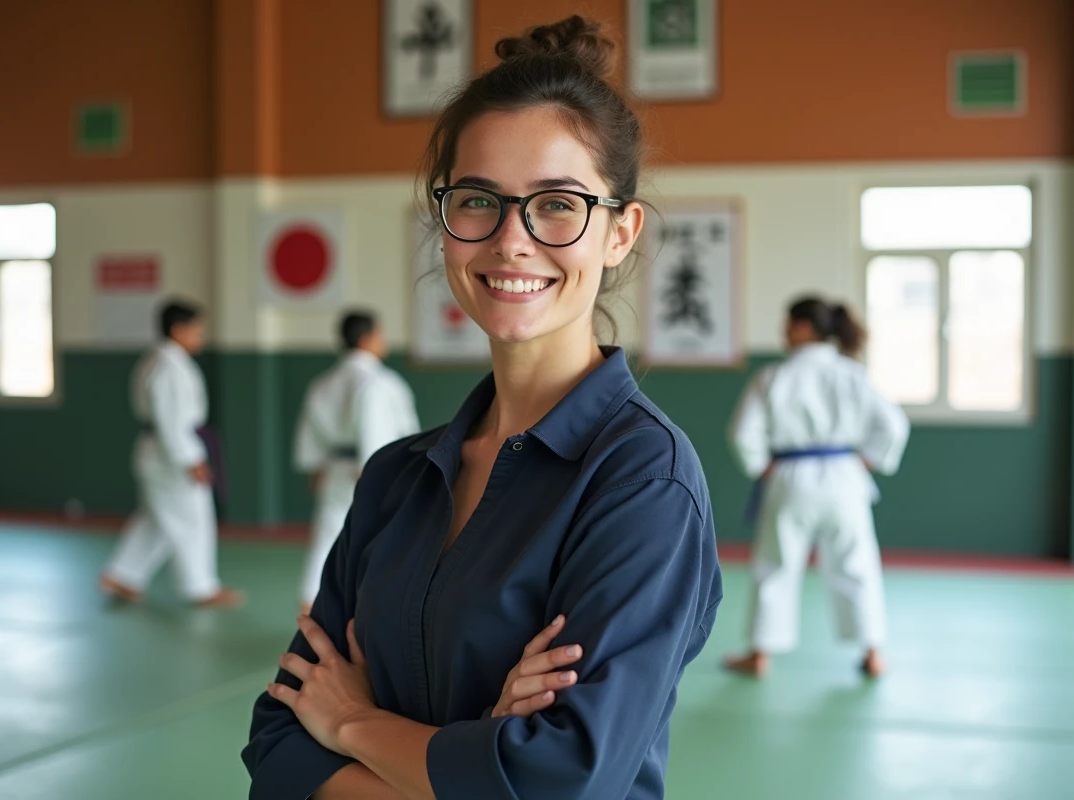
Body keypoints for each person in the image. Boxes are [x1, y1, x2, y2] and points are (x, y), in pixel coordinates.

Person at [243, 16, 722, 800]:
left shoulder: (642, 481)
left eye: (558, 204)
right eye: (477, 201)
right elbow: (276, 748)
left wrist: (354, 723)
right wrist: (474, 761)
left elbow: (558, 781)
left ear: (620, 232)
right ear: (444, 224)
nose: (511, 240)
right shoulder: (395, 477)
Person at [725, 296, 909, 678]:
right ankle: (873, 653)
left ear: (804, 328)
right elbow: (894, 425)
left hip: (790, 476)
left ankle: (760, 655)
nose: (783, 332)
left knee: (776, 564)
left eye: (788, 324)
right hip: (845, 475)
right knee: (856, 563)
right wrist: (867, 461)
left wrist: (761, 467)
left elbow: (743, 433)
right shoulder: (853, 374)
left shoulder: (773, 377)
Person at [99, 300, 243, 608]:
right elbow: (172, 420)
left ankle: (122, 575)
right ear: (178, 330)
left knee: (157, 520)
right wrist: (190, 460)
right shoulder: (169, 368)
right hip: (170, 456)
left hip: (160, 452)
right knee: (193, 519)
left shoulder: (160, 361)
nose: (201, 336)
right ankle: (201, 587)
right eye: (196, 330)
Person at [294, 310, 421, 615]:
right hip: (371, 468)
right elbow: (375, 429)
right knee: (384, 534)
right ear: (366, 339)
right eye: (380, 334)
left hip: (335, 467)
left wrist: (315, 465)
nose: (383, 341)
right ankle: (377, 605)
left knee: (329, 532)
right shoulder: (378, 382)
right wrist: (373, 468)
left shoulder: (324, 382)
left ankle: (311, 598)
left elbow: (310, 429)